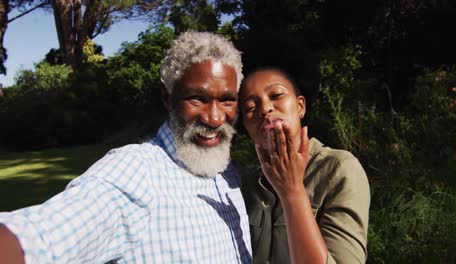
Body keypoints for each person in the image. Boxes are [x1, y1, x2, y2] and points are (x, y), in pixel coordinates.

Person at [0, 31, 252, 263]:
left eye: (227, 100)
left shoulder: (223, 168)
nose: (216, 118)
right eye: (197, 98)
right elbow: (39, 238)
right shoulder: (137, 173)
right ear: (167, 99)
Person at [239, 67, 370, 264]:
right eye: (250, 108)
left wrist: (291, 190)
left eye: (276, 95)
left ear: (300, 106)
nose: (265, 109)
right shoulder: (243, 183)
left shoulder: (339, 169)